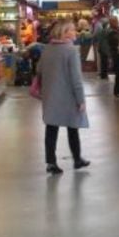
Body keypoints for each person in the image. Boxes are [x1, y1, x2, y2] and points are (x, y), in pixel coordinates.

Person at [37, 19, 90, 174]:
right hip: (68, 96)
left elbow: (39, 69)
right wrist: (81, 100)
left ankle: (51, 162)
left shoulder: (47, 49)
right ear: (65, 33)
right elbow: (76, 79)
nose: (75, 32)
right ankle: (77, 159)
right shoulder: (71, 51)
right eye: (72, 30)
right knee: (72, 127)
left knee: (51, 128)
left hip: (50, 94)